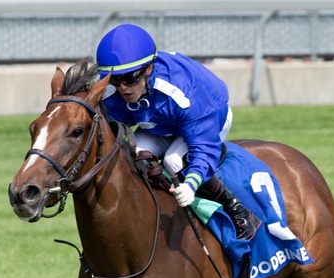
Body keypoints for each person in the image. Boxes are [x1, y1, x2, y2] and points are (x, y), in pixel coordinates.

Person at [95, 23, 261, 239]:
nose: (123, 87)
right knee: (133, 155)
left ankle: (237, 209)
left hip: (210, 114)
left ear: (149, 69)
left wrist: (191, 184)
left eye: (130, 78)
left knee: (174, 160)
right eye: (116, 79)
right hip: (159, 124)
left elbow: (203, 148)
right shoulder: (113, 90)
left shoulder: (183, 92)